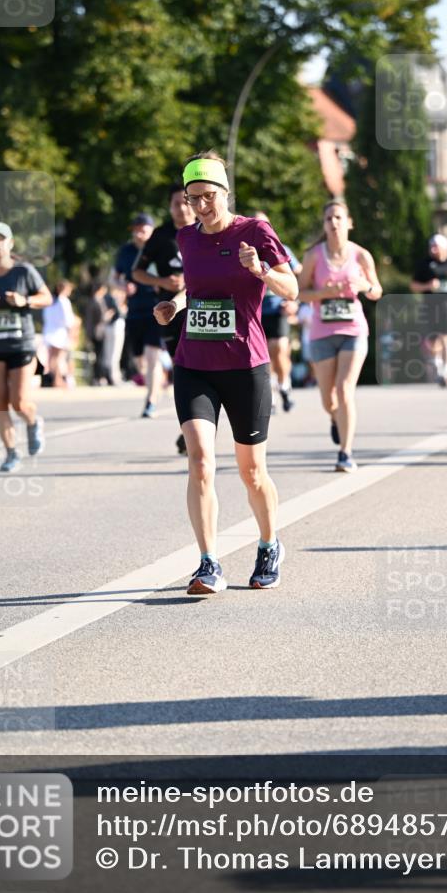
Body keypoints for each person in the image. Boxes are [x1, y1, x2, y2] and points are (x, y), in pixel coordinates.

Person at [154, 151, 298, 594]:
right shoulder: (186, 238)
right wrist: (175, 304)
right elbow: (195, 289)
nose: (200, 206)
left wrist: (259, 270)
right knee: (200, 461)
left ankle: (269, 544)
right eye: (192, 198)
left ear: (225, 191)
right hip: (194, 363)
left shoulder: (255, 231)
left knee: (252, 471)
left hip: (244, 364)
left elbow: (292, 289)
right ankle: (208, 563)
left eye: (208, 196)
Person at [297, 199, 382, 471]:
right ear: (324, 225)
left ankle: (345, 452)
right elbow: (299, 292)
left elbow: (377, 291)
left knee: (345, 390)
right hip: (322, 332)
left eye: (338, 218)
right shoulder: (313, 256)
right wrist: (324, 293)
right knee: (328, 400)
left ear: (349, 223)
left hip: (353, 330)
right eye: (328, 219)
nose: (333, 223)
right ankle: (335, 418)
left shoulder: (361, 256)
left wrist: (364, 285)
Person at [0, 222, 52, 472]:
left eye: (1, 240)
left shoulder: (24, 271)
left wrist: (24, 300)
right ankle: (11, 452)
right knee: (0, 403)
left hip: (21, 345)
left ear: (10, 243)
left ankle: (33, 421)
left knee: (19, 402)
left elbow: (46, 298)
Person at [133, 185, 195, 445]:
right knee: (182, 370)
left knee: (202, 370)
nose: (181, 208)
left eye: (185, 202)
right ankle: (189, 429)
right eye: (175, 203)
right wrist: (161, 281)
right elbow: (137, 272)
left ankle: (196, 428)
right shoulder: (161, 236)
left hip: (203, 311)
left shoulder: (205, 230)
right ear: (169, 207)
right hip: (170, 312)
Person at [253, 211, 302, 413]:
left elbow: (300, 276)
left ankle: (284, 385)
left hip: (278, 309)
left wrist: (296, 303)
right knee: (263, 355)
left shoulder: (281, 248)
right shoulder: (245, 250)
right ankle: (271, 395)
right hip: (255, 311)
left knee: (279, 350)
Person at [411, 234, 447, 387]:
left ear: (444, 248)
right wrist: (428, 286)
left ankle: (446, 373)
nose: (433, 250)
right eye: (431, 247)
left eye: (436, 247)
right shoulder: (424, 264)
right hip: (430, 306)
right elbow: (413, 285)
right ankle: (438, 368)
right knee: (432, 341)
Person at [112, 213, 156, 385]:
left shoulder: (160, 249)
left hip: (157, 308)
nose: (138, 234)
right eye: (135, 230)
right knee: (139, 357)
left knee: (152, 353)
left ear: (152, 230)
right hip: (134, 310)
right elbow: (113, 278)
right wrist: (123, 286)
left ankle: (151, 396)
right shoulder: (126, 251)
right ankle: (148, 381)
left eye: (142, 230)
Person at [42, 280, 76, 387]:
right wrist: (71, 334)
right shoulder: (63, 301)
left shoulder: (51, 301)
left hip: (49, 332)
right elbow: (68, 320)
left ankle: (55, 379)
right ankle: (57, 380)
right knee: (57, 358)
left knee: (52, 358)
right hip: (59, 333)